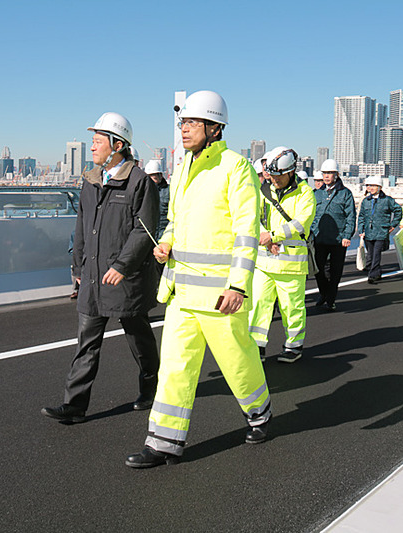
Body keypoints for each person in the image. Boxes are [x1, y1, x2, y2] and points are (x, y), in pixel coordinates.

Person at [125, 90, 271, 468]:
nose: (183, 130)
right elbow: (176, 220)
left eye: (190, 123)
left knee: (237, 363)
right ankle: (163, 443)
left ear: (214, 127)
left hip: (220, 295)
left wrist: (238, 284)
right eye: (182, 123)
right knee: (175, 367)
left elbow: (246, 232)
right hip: (181, 291)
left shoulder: (236, 168)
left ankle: (259, 412)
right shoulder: (185, 168)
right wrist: (168, 243)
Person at [42, 112, 160, 423]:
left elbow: (144, 229)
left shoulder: (139, 182)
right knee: (86, 342)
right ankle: (75, 405)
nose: (92, 147)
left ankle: (151, 386)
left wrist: (123, 264)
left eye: (97, 142)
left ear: (117, 145)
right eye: (92, 142)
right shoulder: (90, 180)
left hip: (125, 278)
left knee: (139, 337)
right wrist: (77, 265)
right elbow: (82, 225)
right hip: (93, 277)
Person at [249, 147, 316, 363]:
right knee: (259, 304)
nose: (274, 179)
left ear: (290, 172)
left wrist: (274, 236)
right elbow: (255, 216)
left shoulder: (305, 193)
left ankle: (293, 346)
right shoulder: (264, 190)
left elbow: (301, 222)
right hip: (264, 261)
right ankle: (256, 345)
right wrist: (265, 237)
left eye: (278, 176)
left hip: (291, 264)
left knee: (292, 307)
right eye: (272, 175)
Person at [311, 158, 356, 311]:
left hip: (338, 240)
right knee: (318, 270)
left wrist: (347, 235)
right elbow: (310, 215)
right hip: (319, 238)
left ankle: (331, 299)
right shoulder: (316, 194)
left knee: (335, 272)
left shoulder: (345, 194)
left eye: (330, 173)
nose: (326, 176)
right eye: (324, 173)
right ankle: (324, 293)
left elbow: (351, 216)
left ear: (336, 174)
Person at [357, 176, 402, 284]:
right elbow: (361, 216)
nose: (370, 188)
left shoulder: (387, 200)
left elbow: (398, 210)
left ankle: (372, 275)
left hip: (381, 231)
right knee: (370, 253)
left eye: (373, 186)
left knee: (376, 253)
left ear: (379, 187)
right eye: (368, 186)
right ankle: (376, 271)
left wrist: (393, 225)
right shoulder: (366, 201)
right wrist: (361, 230)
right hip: (368, 232)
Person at [144, 159, 170, 240]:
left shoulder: (169, 191)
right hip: (149, 237)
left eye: (154, 178)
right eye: (149, 178)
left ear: (160, 176)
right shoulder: (143, 192)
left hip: (164, 236)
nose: (152, 182)